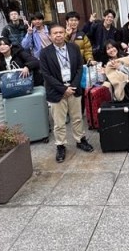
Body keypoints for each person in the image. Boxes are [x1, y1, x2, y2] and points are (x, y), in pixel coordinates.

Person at [39, 24, 94, 163]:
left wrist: (72, 86)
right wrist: (63, 89)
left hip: (74, 88)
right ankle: (60, 145)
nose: (58, 35)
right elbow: (46, 75)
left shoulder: (73, 47)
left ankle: (80, 140)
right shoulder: (45, 53)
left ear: (65, 34)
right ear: (50, 36)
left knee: (77, 118)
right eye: (55, 33)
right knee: (59, 122)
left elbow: (79, 68)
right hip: (56, 91)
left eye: (61, 32)